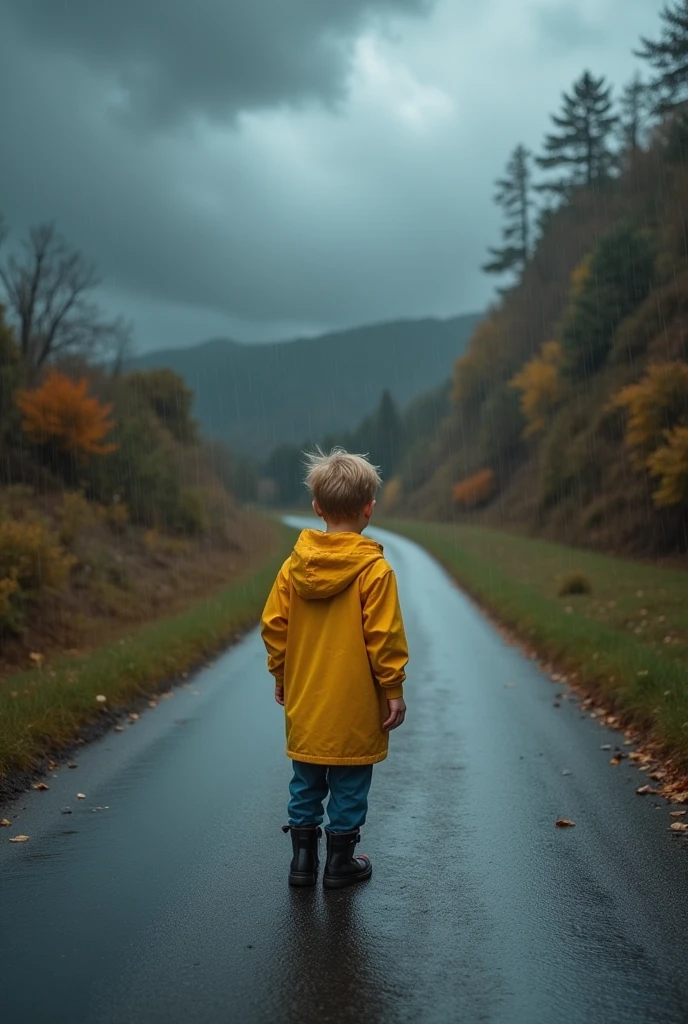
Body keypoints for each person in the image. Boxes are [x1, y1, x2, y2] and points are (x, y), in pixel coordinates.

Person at [261, 447, 408, 889]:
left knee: (305, 781)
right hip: (354, 703)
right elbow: (383, 637)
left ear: (317, 507)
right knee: (349, 784)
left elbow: (274, 626)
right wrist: (393, 688)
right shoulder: (374, 571)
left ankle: (302, 862)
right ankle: (339, 864)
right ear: (369, 508)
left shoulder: (293, 567)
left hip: (307, 702)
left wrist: (281, 675)